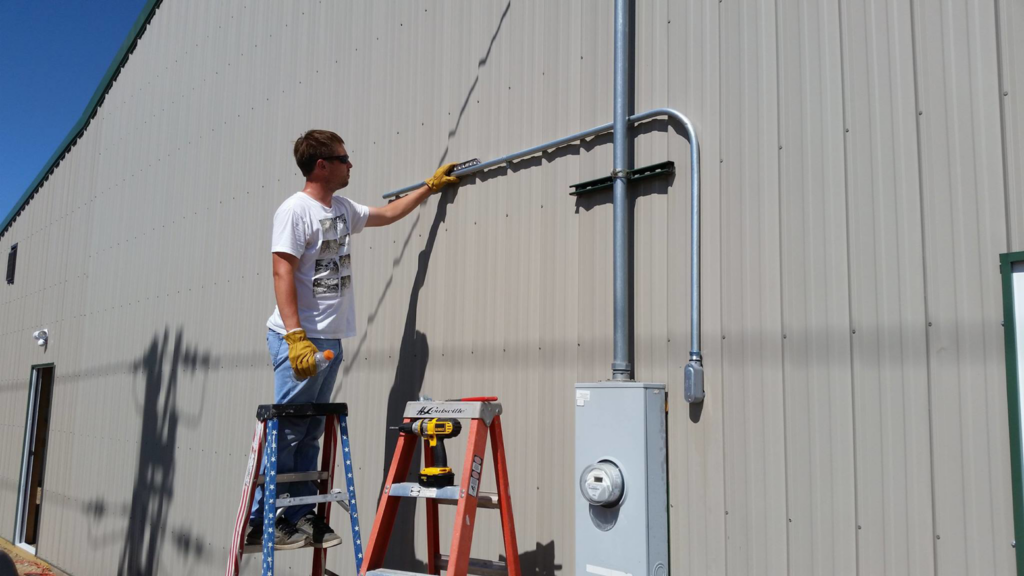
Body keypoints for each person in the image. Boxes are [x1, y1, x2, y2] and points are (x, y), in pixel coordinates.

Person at [247, 130, 459, 549]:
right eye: (344, 158)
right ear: (321, 165)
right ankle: (262, 519)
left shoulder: (342, 208)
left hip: (330, 341)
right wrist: (294, 337)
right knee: (289, 431)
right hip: (300, 342)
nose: (351, 165)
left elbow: (387, 214)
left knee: (310, 432)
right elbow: (282, 271)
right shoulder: (295, 210)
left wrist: (428, 187)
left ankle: (297, 513)